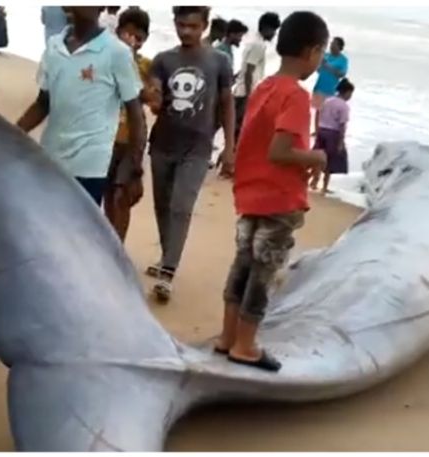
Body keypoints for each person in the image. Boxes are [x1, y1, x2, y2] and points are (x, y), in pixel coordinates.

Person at [215, 11, 329, 371]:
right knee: (264, 270)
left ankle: (227, 336)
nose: (321, 59)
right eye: (322, 52)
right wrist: (317, 156)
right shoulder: (295, 96)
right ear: (312, 51)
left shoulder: (264, 87)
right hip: (279, 200)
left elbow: (256, 141)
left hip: (251, 193)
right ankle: (246, 345)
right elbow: (279, 151)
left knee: (244, 263)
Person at [144, 6, 235, 301]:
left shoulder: (219, 61)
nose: (186, 31)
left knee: (181, 206)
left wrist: (231, 146)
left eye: (193, 26)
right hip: (162, 143)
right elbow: (154, 92)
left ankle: (168, 272)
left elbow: (227, 104)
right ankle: (166, 256)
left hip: (197, 148)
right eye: (181, 25)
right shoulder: (163, 60)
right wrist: (154, 98)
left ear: (205, 27)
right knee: (162, 205)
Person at [17, 7, 146, 206]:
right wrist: (12, 133)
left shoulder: (117, 52)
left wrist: (135, 170)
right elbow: (43, 103)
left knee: (75, 234)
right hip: (51, 159)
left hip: (90, 168)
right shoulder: (54, 46)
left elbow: (135, 114)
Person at [103, 7, 154, 241]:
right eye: (127, 34)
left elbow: (155, 100)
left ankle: (117, 247)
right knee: (106, 195)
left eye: (138, 37)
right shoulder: (106, 60)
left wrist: (141, 89)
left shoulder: (145, 66)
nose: (132, 40)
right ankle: (107, 242)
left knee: (121, 197)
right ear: (118, 32)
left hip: (130, 140)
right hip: (104, 138)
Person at [231, 12, 281, 149]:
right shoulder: (259, 46)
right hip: (245, 93)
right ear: (266, 28)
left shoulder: (253, 42)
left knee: (235, 129)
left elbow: (244, 68)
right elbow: (249, 71)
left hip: (240, 90)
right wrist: (249, 96)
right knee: (240, 130)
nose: (274, 34)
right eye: (273, 30)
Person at [310, 78, 354, 194]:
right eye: (350, 94)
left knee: (318, 157)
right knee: (330, 161)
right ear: (347, 92)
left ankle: (314, 181)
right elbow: (342, 125)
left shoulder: (328, 100)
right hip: (333, 134)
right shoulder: (344, 106)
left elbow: (318, 113)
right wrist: (340, 142)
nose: (350, 96)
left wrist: (316, 129)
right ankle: (324, 187)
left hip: (322, 130)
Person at [312, 37, 348, 134]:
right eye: (331, 43)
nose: (331, 45)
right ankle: (316, 131)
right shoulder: (326, 55)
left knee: (329, 112)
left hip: (332, 89)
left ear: (339, 47)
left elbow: (342, 74)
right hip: (320, 85)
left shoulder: (343, 60)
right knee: (318, 111)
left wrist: (328, 65)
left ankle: (328, 131)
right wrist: (319, 64)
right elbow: (318, 70)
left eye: (334, 44)